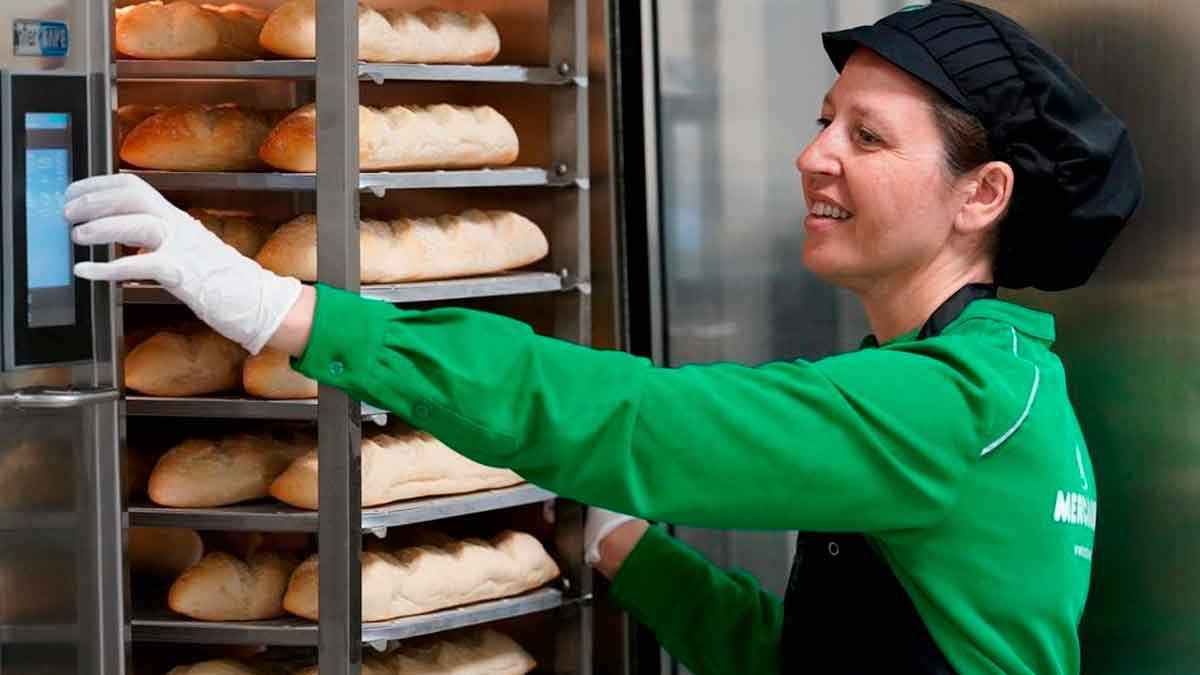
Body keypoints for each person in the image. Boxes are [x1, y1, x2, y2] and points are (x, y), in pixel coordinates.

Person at [66, 2, 1141, 673]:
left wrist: (286, 311)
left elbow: (643, 421)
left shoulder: (949, 409)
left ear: (981, 194)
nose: (816, 155)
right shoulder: (1003, 387)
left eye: (867, 136)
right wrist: (629, 549)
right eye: (823, 119)